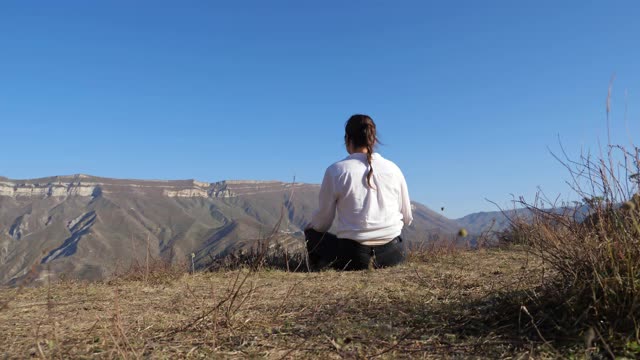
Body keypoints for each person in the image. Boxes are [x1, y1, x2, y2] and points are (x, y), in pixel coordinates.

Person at [304, 114, 413, 271]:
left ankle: (318, 269)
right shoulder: (393, 169)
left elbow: (322, 223)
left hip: (353, 257)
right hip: (394, 255)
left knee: (312, 234)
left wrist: (311, 228)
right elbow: (407, 218)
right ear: (373, 140)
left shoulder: (336, 171)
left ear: (347, 139)